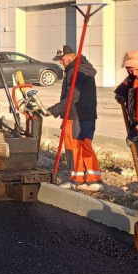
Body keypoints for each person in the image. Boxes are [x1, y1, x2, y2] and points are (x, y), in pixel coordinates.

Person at [48, 45, 102, 191]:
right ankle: (93, 180)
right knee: (84, 145)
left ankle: (77, 180)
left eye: (62, 58)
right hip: (87, 115)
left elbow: (72, 97)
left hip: (76, 114)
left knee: (73, 147)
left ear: (71, 57)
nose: (60, 62)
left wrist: (53, 110)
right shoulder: (85, 69)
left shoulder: (74, 71)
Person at [115, 49, 138, 178]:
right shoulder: (133, 77)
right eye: (129, 70)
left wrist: (136, 134)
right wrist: (121, 93)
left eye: (135, 69)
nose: (133, 73)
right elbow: (127, 83)